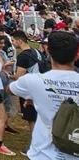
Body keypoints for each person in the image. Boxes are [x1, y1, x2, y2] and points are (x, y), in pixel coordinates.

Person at [8, 31, 79, 160]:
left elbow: (10, 89)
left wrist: (35, 96)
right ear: (76, 56)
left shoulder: (34, 81)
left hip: (42, 155)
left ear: (49, 53)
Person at [10, 30, 42, 136]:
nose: (12, 43)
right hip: (41, 86)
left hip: (30, 91)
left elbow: (19, 77)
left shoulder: (22, 56)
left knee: (32, 119)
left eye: (13, 40)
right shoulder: (36, 51)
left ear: (19, 41)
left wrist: (8, 75)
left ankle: (35, 144)